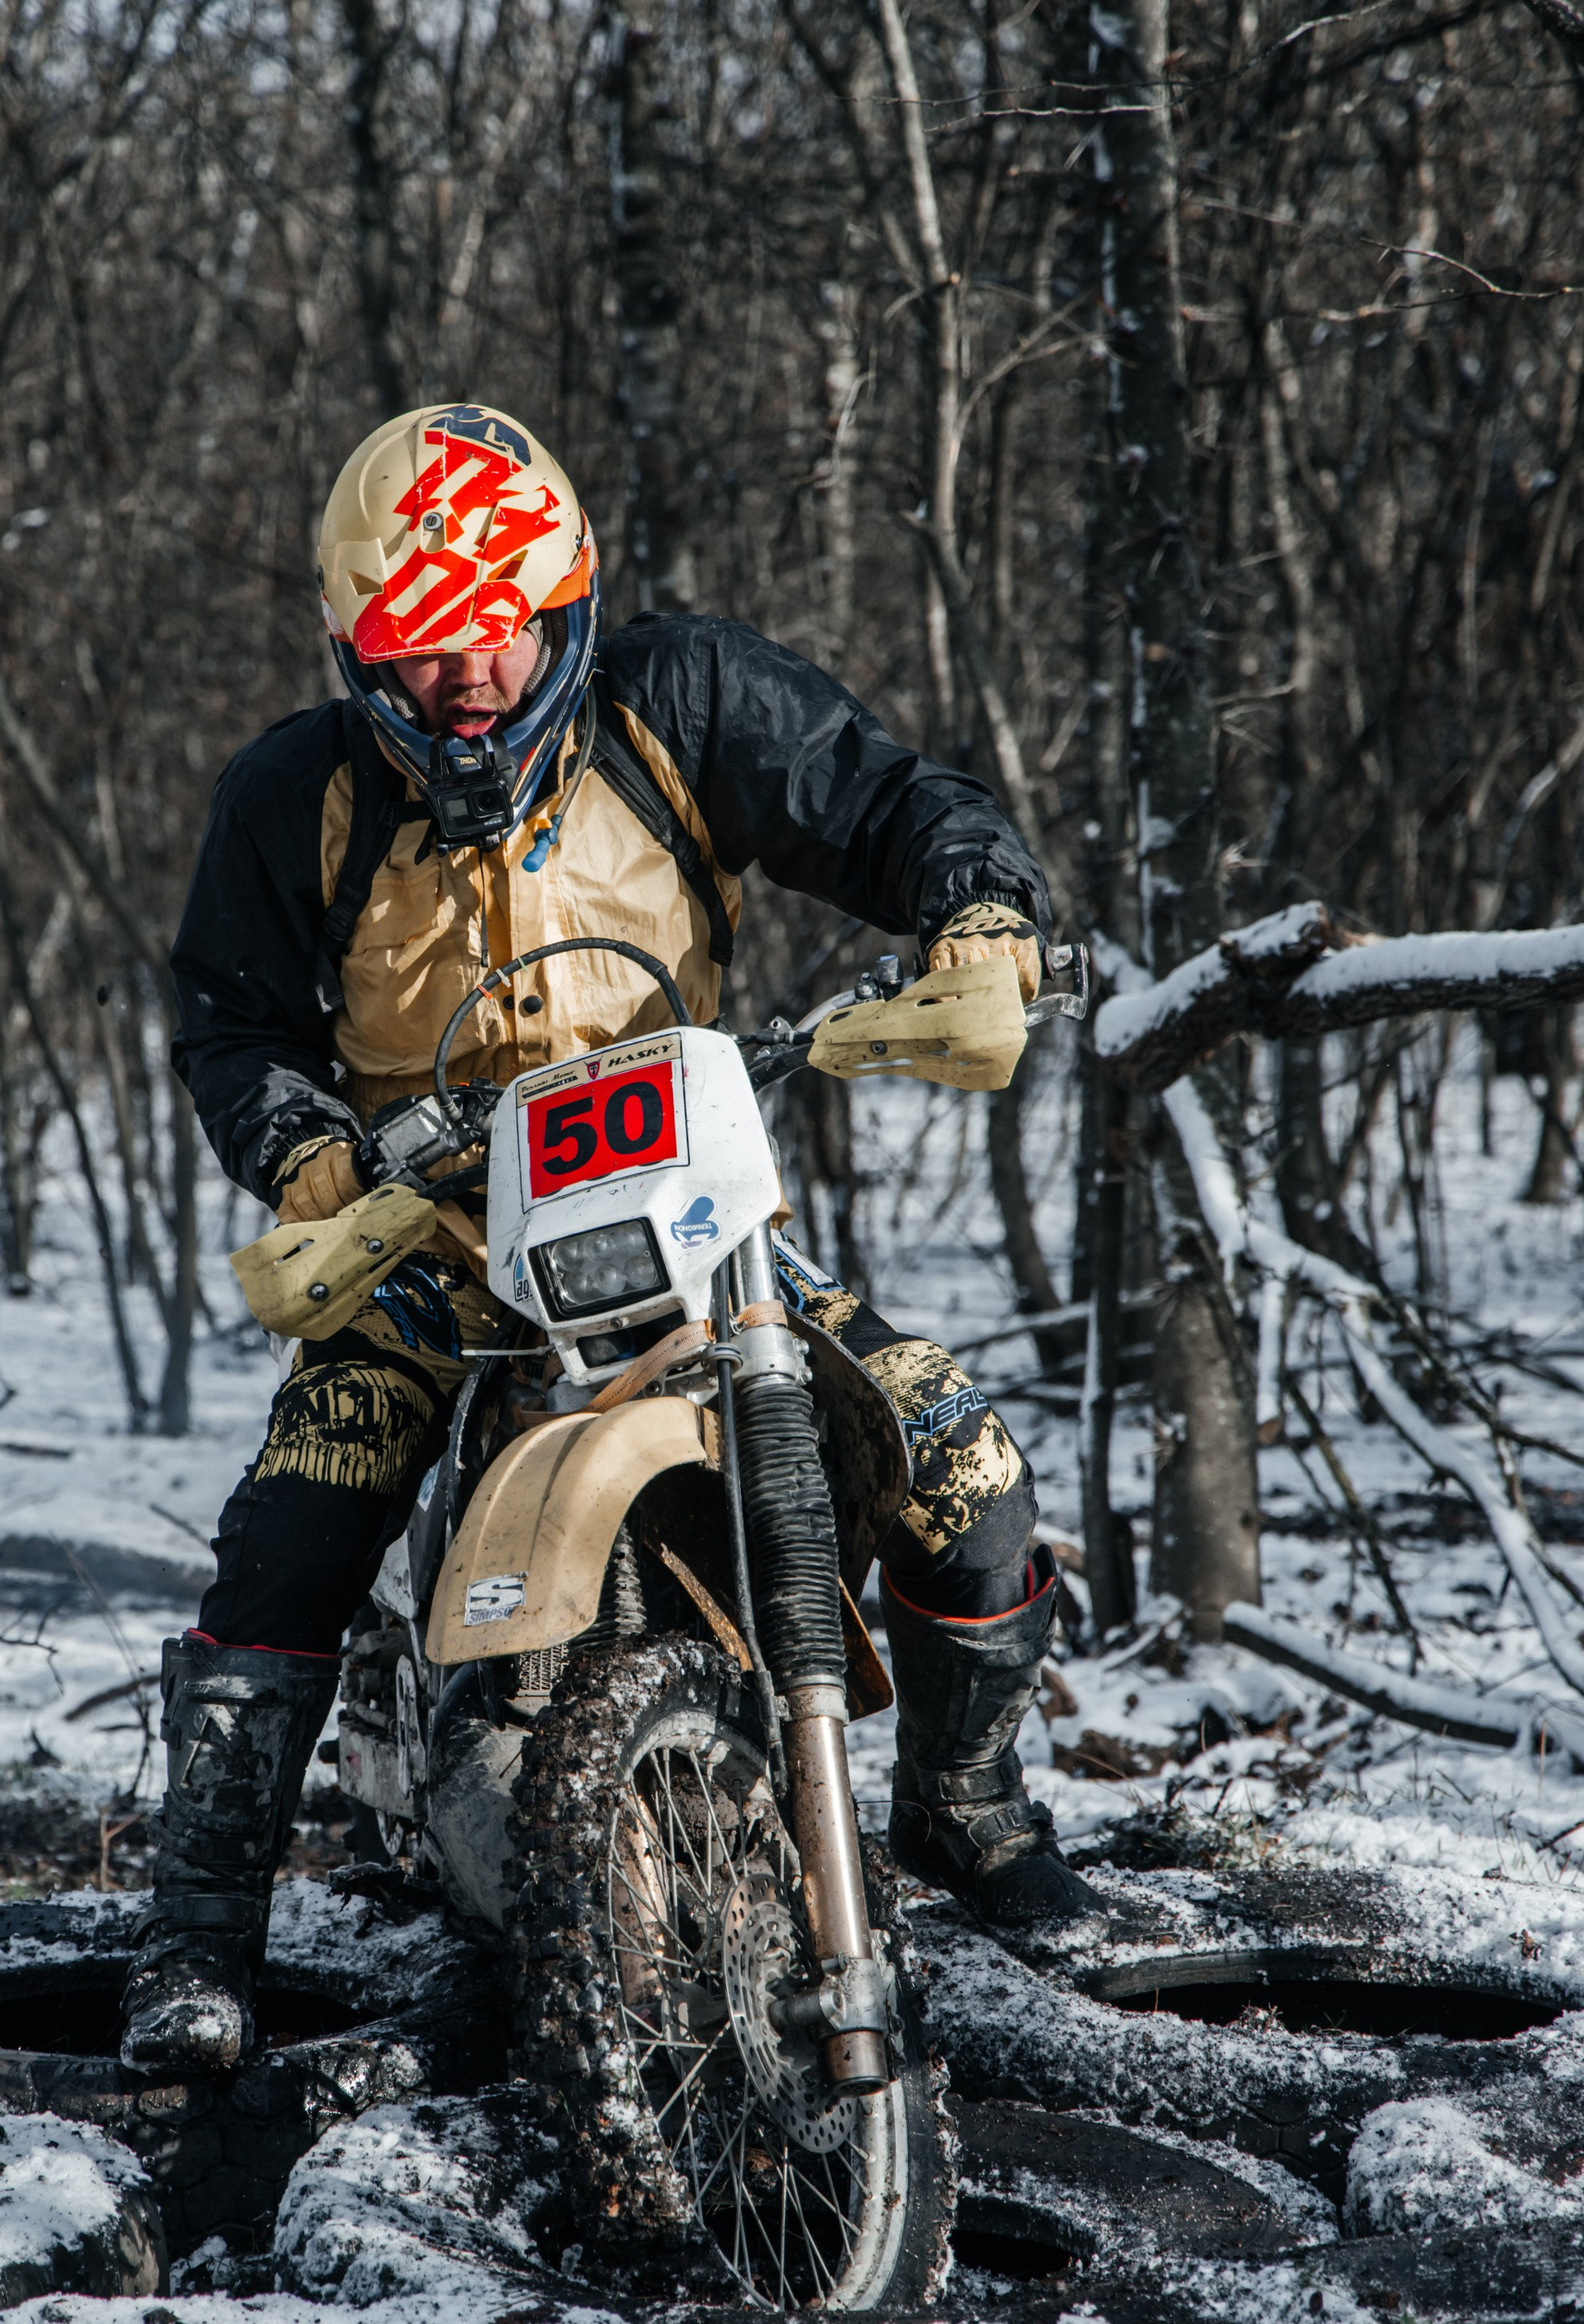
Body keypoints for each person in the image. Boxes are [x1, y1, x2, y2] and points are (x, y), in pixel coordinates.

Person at [124, 400, 1093, 2078]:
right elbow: (229, 1018)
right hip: (431, 1230)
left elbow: (881, 798)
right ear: (363, 651)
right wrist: (299, 1154)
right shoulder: (299, 796)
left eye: (496, 626)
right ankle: (198, 1928)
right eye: (422, 647)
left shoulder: (680, 702)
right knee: (303, 1503)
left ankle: (961, 1795)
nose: (469, 675)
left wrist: (978, 914)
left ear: (558, 601)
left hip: (696, 1205)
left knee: (963, 1467)